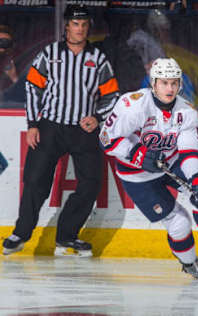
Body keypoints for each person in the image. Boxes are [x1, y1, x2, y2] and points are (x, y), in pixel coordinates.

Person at [2, 5, 120, 257]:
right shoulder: (50, 53)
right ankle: (20, 233)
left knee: (90, 184)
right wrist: (32, 124)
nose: (80, 29)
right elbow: (33, 88)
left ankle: (66, 236)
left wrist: (97, 117)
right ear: (66, 26)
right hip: (50, 127)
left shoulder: (98, 58)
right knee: (35, 181)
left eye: (84, 24)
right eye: (75, 24)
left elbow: (112, 94)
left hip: (83, 130)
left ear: (88, 27)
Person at [99, 57, 198, 280]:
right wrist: (136, 153)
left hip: (171, 162)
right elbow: (106, 138)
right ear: (153, 83)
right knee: (179, 224)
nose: (169, 88)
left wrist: (197, 178)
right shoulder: (132, 105)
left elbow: (188, 150)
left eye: (174, 83)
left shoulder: (187, 111)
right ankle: (191, 264)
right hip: (137, 174)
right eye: (164, 83)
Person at [0, 24, 25, 107]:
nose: (2, 46)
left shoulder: (20, 64)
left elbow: (25, 98)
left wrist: (14, 78)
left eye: (6, 43)